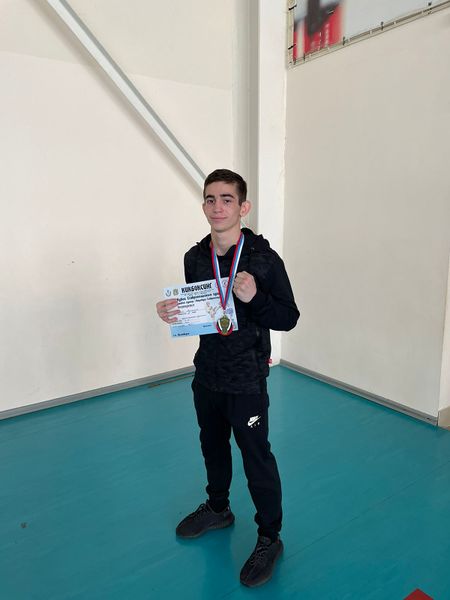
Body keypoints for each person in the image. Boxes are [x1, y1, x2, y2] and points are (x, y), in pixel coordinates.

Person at [156, 169, 299, 587]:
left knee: (256, 457)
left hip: (247, 379)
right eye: (210, 199)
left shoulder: (264, 260)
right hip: (208, 375)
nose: (217, 207)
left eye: (227, 199)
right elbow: (205, 314)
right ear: (203, 205)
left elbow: (288, 317)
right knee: (212, 446)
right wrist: (175, 313)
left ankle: (270, 537)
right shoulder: (194, 258)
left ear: (243, 207)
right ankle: (218, 508)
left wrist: (257, 298)